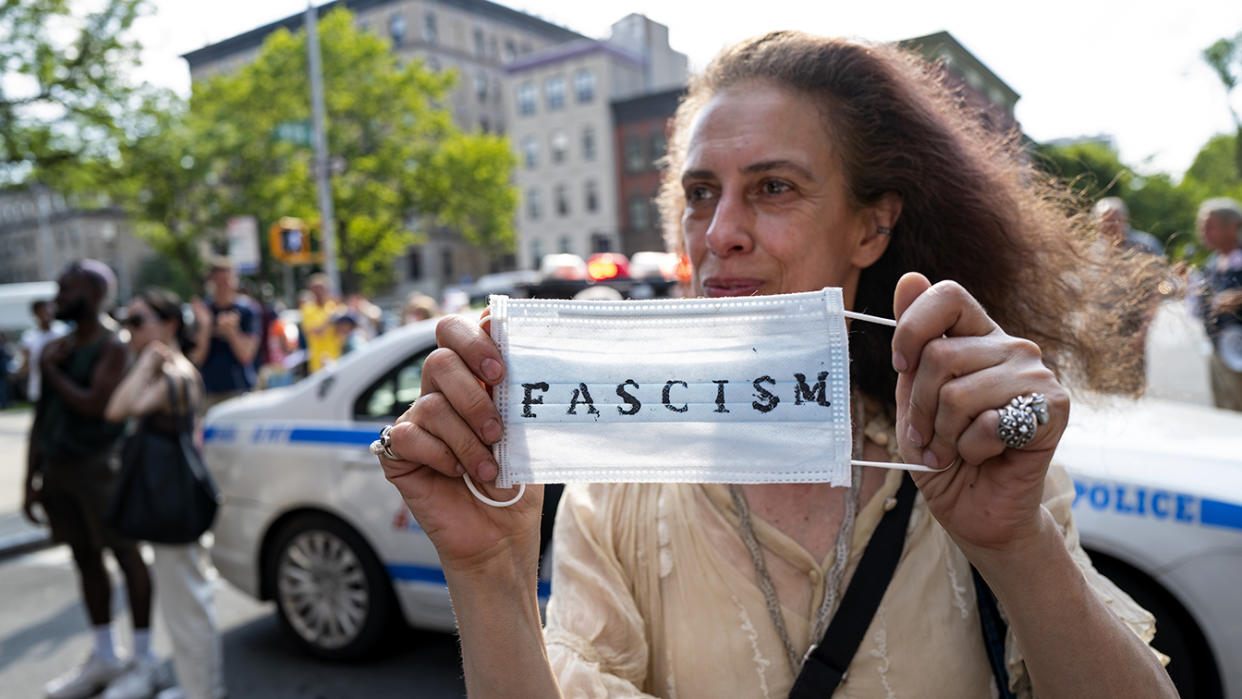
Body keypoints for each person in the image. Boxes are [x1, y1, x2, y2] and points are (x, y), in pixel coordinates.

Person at [376, 32, 1178, 698]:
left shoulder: (970, 446)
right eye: (699, 192)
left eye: (773, 187)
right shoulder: (617, 483)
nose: (719, 230)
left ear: (872, 228)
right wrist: (490, 576)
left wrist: (1018, 547)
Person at [24, 260, 155, 699]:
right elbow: (42, 418)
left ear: (93, 293)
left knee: (126, 555)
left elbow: (95, 404)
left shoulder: (112, 344)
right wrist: (30, 477)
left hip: (101, 468)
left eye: (67, 289)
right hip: (60, 469)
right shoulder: (58, 346)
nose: (59, 297)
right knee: (84, 559)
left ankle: (143, 658)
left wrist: (52, 371)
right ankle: (105, 655)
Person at [104, 289, 225, 699]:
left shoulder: (174, 373)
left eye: (138, 321)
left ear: (169, 324)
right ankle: (197, 687)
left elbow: (117, 409)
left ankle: (203, 691)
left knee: (187, 603)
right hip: (168, 495)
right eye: (129, 322)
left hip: (174, 498)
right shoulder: (166, 369)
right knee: (182, 601)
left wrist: (149, 360)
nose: (130, 330)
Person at [1191, 197, 1242, 411]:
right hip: (1219, 349)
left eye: (1210, 226)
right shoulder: (1211, 263)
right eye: (1202, 226)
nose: (1204, 232)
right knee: (1224, 413)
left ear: (1233, 226)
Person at [190, 257, 260, 408]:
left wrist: (232, 332)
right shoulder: (204, 311)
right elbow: (197, 358)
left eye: (227, 280)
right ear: (212, 282)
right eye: (219, 281)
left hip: (240, 389)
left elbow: (246, 356)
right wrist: (206, 326)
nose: (224, 286)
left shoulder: (247, 310)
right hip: (208, 390)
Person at [20, 299, 68, 403]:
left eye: (50, 309)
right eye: (43, 310)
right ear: (35, 314)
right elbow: (26, 363)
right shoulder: (29, 337)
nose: (48, 313)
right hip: (38, 387)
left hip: (62, 386)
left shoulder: (64, 332)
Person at [1092, 196, 1164, 256]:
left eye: (1114, 220)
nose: (1109, 225)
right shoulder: (1093, 250)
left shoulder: (1147, 245)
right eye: (1105, 221)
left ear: (1125, 220)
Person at [298, 273, 341, 373]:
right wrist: (330, 319)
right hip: (317, 362)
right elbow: (315, 332)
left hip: (336, 357)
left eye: (321, 288)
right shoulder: (307, 309)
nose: (318, 292)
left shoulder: (333, 307)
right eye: (315, 288)